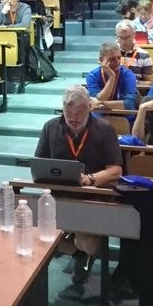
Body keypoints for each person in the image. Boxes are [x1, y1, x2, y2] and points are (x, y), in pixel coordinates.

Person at [35, 85, 125, 283]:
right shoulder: (50, 127)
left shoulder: (104, 129)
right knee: (44, 238)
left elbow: (116, 170)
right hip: (60, 196)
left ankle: (83, 252)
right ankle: (78, 255)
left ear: (89, 109)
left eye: (79, 113)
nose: (73, 119)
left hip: (92, 197)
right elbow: (38, 164)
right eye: (68, 113)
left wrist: (91, 178)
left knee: (88, 243)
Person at [86, 42, 138, 112]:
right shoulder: (92, 76)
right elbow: (98, 100)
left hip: (123, 115)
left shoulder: (128, 75)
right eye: (112, 59)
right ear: (101, 60)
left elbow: (129, 104)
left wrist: (101, 104)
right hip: (100, 115)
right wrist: (112, 77)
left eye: (119, 58)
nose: (117, 61)